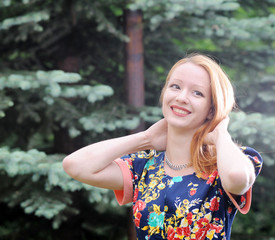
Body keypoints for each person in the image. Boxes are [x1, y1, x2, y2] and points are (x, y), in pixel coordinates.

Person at [63, 53, 263, 240]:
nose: (182, 97)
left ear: (211, 110)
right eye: (175, 86)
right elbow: (75, 165)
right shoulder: (143, 168)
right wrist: (145, 139)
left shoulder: (229, 163)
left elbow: (237, 179)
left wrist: (221, 136)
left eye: (197, 93)